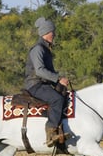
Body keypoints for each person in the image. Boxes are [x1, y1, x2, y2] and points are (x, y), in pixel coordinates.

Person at [24, 17, 69, 147]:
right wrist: (58, 79)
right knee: (57, 100)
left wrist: (59, 81)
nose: (54, 34)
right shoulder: (38, 49)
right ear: (46, 33)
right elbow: (39, 71)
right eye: (52, 32)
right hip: (35, 85)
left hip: (43, 84)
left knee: (65, 95)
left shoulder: (45, 49)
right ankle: (51, 132)